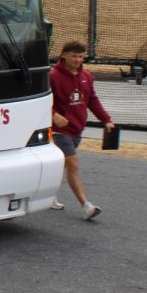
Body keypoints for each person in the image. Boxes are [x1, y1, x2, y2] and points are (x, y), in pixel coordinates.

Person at [49, 39, 114, 220]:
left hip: (77, 129)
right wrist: (53, 115)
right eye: (74, 56)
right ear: (64, 55)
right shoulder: (53, 76)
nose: (78, 60)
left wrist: (106, 120)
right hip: (58, 131)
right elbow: (42, 99)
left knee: (61, 165)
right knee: (73, 165)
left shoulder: (86, 76)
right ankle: (86, 206)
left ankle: (48, 193)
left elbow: (92, 100)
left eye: (80, 56)